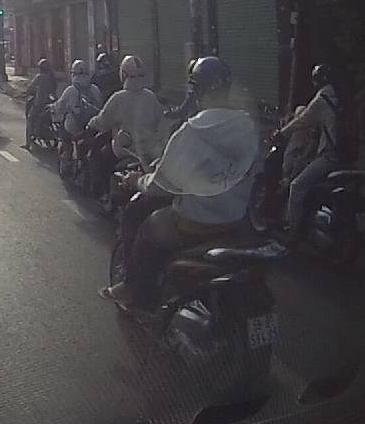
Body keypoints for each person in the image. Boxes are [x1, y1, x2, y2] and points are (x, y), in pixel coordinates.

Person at [102, 56, 260, 312]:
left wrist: (136, 180)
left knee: (143, 222)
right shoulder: (246, 126)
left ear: (196, 91)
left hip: (198, 220)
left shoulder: (192, 131)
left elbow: (159, 186)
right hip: (237, 217)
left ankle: (137, 292)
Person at [276, 63, 345, 238]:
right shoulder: (341, 97)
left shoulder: (323, 99)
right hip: (346, 154)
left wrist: (281, 133)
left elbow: (303, 119)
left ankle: (291, 230)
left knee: (296, 185)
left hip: (329, 156)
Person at [87, 55, 163, 165]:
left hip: (126, 150)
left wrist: (90, 125)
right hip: (151, 151)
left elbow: (103, 121)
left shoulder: (119, 98)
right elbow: (159, 122)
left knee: (97, 160)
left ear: (123, 74)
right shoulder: (150, 96)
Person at [53, 60, 103, 140]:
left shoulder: (70, 90)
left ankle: (67, 147)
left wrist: (53, 108)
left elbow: (60, 107)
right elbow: (100, 104)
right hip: (92, 127)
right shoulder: (95, 88)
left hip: (74, 127)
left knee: (63, 130)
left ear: (73, 74)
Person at [23, 58, 58, 149]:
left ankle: (27, 144)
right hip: (51, 103)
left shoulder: (39, 77)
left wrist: (27, 92)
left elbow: (30, 88)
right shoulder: (52, 78)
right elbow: (54, 91)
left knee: (30, 119)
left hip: (40, 103)